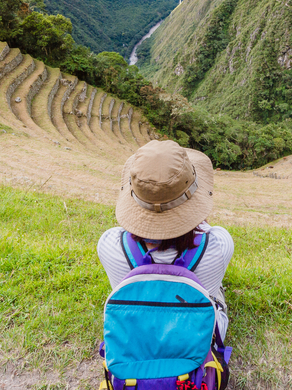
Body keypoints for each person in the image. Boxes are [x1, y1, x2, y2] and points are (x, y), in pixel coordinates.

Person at [97, 139, 234, 340]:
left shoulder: (109, 244)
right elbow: (206, 229)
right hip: (194, 338)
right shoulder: (219, 245)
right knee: (216, 292)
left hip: (137, 336)